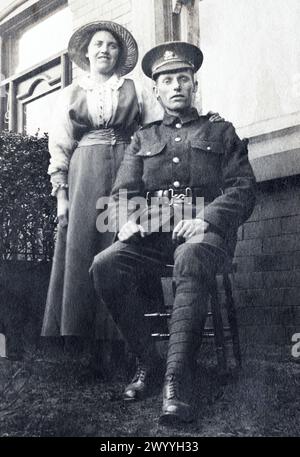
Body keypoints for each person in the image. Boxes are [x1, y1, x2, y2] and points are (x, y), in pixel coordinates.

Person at [90, 41, 256, 424]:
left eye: (184, 78)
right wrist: (125, 218)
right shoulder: (143, 139)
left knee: (191, 254)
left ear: (194, 85)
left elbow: (243, 188)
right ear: (156, 90)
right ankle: (149, 364)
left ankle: (177, 382)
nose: (177, 85)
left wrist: (208, 219)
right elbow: (122, 193)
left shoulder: (221, 130)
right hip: (155, 237)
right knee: (105, 265)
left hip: (205, 238)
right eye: (168, 80)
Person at [41, 21, 223, 347]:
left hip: (131, 166)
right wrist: (62, 196)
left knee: (128, 241)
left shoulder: (135, 88)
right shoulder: (70, 93)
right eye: (98, 44)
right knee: (87, 246)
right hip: (86, 173)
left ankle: (132, 342)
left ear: (119, 53)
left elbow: (166, 124)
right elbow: (61, 145)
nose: (104, 50)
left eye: (111, 45)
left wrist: (208, 119)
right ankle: (86, 342)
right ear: (86, 52)